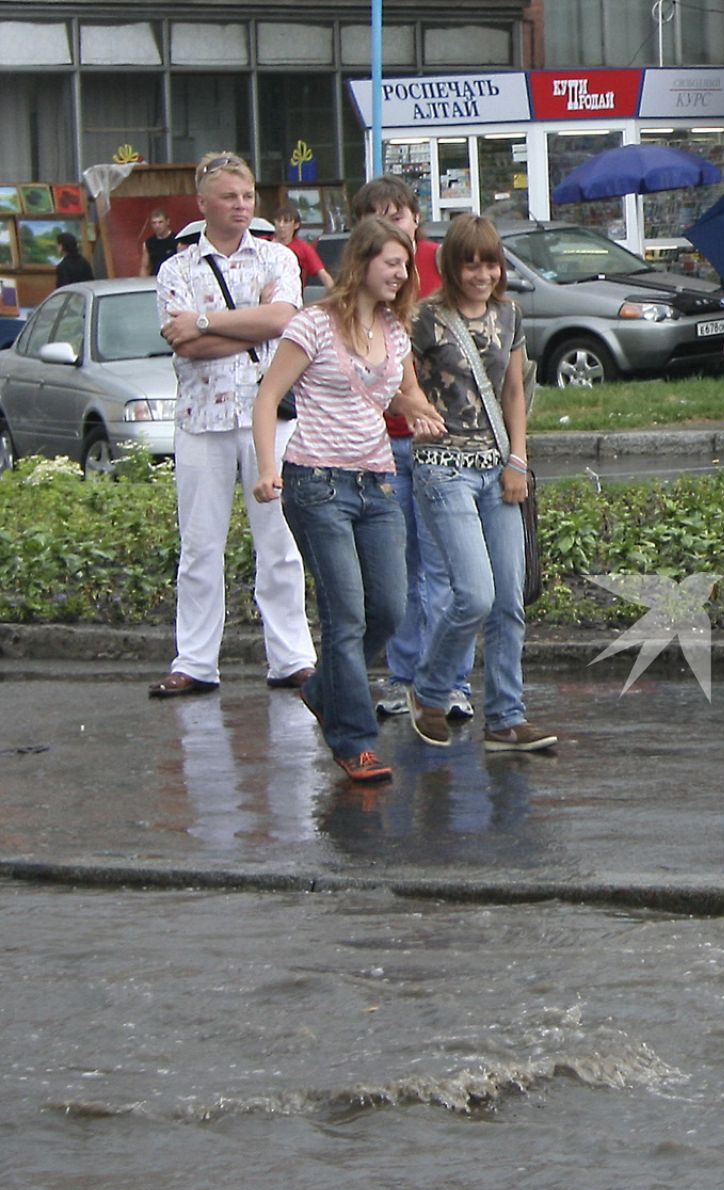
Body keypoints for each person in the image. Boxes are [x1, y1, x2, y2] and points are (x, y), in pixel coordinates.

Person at [249, 217, 443, 784]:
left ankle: (321, 688)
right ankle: (354, 739)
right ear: (362, 263)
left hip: (377, 482)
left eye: (405, 265)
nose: (402, 273)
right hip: (315, 483)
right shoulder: (312, 325)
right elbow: (268, 397)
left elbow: (400, 390)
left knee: (388, 607)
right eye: (393, 262)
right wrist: (267, 468)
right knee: (347, 614)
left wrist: (419, 410)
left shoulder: (395, 329)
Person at [149, 151, 316, 700]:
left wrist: (205, 321)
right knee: (200, 544)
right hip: (202, 419)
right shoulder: (176, 268)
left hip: (269, 418)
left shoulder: (277, 259)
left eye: (247, 197)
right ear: (203, 205)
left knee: (281, 542)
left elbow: (283, 321)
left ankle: (291, 656)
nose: (241, 206)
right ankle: (195, 661)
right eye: (229, 197)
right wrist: (247, 329)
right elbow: (185, 346)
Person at [406, 214, 557, 754]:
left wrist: (518, 459)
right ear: (451, 265)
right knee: (473, 593)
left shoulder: (509, 314)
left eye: (489, 262)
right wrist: (417, 408)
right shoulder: (424, 318)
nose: (481, 273)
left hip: (498, 466)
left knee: (509, 600)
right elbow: (397, 384)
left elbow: (515, 392)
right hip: (443, 466)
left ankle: (506, 718)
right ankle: (429, 690)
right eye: (470, 263)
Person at [350, 176, 463, 723]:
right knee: (401, 568)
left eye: (402, 214)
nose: (395, 225)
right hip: (384, 441)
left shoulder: (442, 265)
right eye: (381, 216)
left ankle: (447, 681)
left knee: (444, 565)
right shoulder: (362, 290)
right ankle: (403, 676)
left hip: (441, 439)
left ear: (417, 219)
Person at [272, 206, 333, 289]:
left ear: (296, 225)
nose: (281, 225)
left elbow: (324, 275)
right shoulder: (263, 243)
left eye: (286, 221)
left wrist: (337, 298)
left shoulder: (304, 248)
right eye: (278, 221)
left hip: (291, 297)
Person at [143, 208, 177, 276]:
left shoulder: (177, 240)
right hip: (155, 280)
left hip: (173, 279)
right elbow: (145, 267)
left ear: (167, 222)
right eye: (154, 223)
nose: (157, 226)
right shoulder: (148, 243)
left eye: (160, 222)